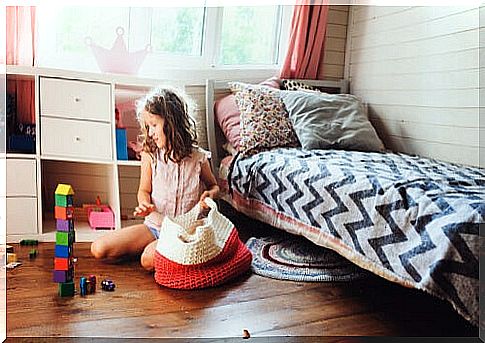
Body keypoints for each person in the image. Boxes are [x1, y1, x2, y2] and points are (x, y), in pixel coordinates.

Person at [91, 86, 220, 271]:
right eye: (148, 127)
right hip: (154, 226)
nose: (150, 132)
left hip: (185, 231)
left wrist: (210, 194)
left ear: (172, 123)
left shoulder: (198, 158)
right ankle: (161, 252)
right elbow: (144, 191)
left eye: (154, 125)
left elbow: (214, 186)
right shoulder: (150, 155)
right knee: (99, 249)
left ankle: (166, 252)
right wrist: (144, 204)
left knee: (148, 260)